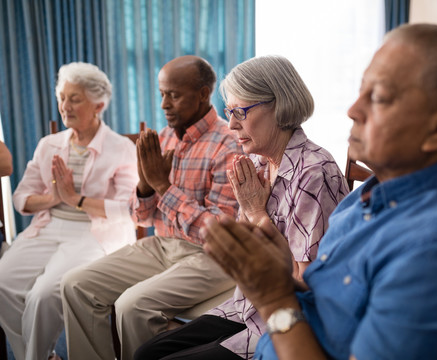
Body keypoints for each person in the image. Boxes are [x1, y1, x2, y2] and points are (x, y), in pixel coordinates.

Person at [200, 24, 437, 360]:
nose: (353, 109)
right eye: (360, 90)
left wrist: (274, 297)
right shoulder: (371, 194)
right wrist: (273, 271)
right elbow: (329, 292)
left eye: (378, 97)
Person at [134, 55, 350, 360]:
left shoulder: (314, 171)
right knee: (146, 353)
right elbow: (242, 247)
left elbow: (306, 281)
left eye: (240, 112)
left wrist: (257, 213)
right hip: (244, 306)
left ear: (279, 105)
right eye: (229, 112)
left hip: (286, 321)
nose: (232, 124)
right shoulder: (258, 163)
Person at [61, 55, 243, 360]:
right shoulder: (162, 137)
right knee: (75, 285)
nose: (164, 105)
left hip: (214, 257)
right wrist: (146, 187)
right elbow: (141, 216)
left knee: (132, 305)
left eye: (173, 95)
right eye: (161, 94)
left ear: (203, 94)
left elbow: (219, 233)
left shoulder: (229, 144)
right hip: (162, 245)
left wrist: (162, 186)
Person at [0, 62, 138, 360]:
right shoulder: (49, 144)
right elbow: (22, 197)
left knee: (44, 294)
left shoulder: (121, 148)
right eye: (62, 97)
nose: (65, 106)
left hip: (94, 233)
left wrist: (75, 198)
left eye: (75, 99)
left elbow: (128, 208)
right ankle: (37, 357)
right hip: (48, 226)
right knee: (2, 284)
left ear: (98, 104)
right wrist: (53, 198)